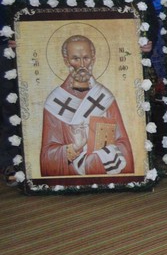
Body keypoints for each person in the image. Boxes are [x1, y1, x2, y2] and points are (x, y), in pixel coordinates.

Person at [40, 35, 134, 176]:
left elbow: (123, 143)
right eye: (75, 59)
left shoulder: (104, 97)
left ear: (93, 59)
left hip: (101, 166)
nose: (82, 64)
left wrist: (101, 155)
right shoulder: (55, 102)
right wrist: (74, 148)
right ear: (66, 61)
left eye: (86, 58)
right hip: (72, 168)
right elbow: (47, 157)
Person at [0, 0, 46, 180]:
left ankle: (9, 161)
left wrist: (23, 36)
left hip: (6, 46)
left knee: (8, 105)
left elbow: (35, 5)